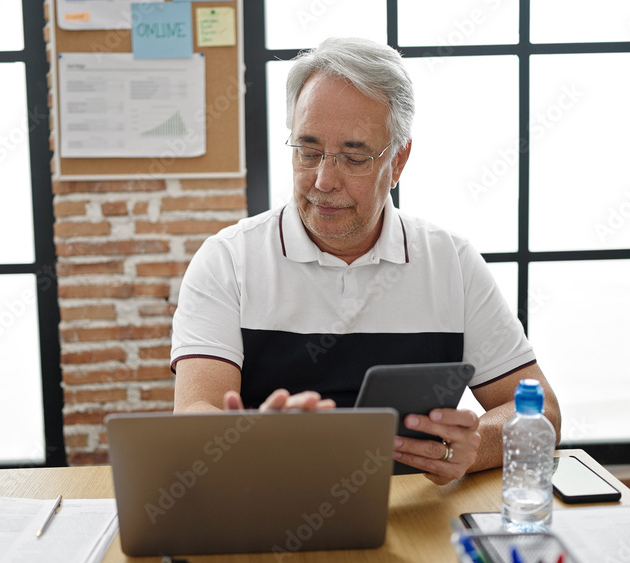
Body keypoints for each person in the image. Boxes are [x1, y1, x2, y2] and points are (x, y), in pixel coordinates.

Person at [170, 37, 561, 485]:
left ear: (398, 161)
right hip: (267, 503)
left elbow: (542, 412)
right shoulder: (227, 260)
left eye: (354, 156)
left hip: (413, 513)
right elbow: (195, 417)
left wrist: (471, 449)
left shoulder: (451, 261)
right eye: (308, 151)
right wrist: (252, 436)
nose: (323, 180)